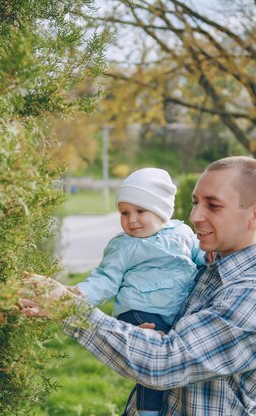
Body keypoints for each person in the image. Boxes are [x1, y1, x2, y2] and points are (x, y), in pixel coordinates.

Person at [20, 156, 256, 416]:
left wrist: (68, 308)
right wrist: (140, 335)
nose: (195, 216)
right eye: (195, 202)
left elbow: (164, 363)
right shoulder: (212, 264)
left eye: (213, 205)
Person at [73, 168, 205, 416]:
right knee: (156, 354)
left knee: (172, 361)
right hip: (137, 311)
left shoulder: (183, 234)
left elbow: (203, 258)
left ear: (161, 211)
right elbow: (105, 278)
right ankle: (147, 410)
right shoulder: (124, 246)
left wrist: (216, 258)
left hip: (172, 314)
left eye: (140, 211)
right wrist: (81, 294)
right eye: (124, 213)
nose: (131, 220)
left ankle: (158, 405)